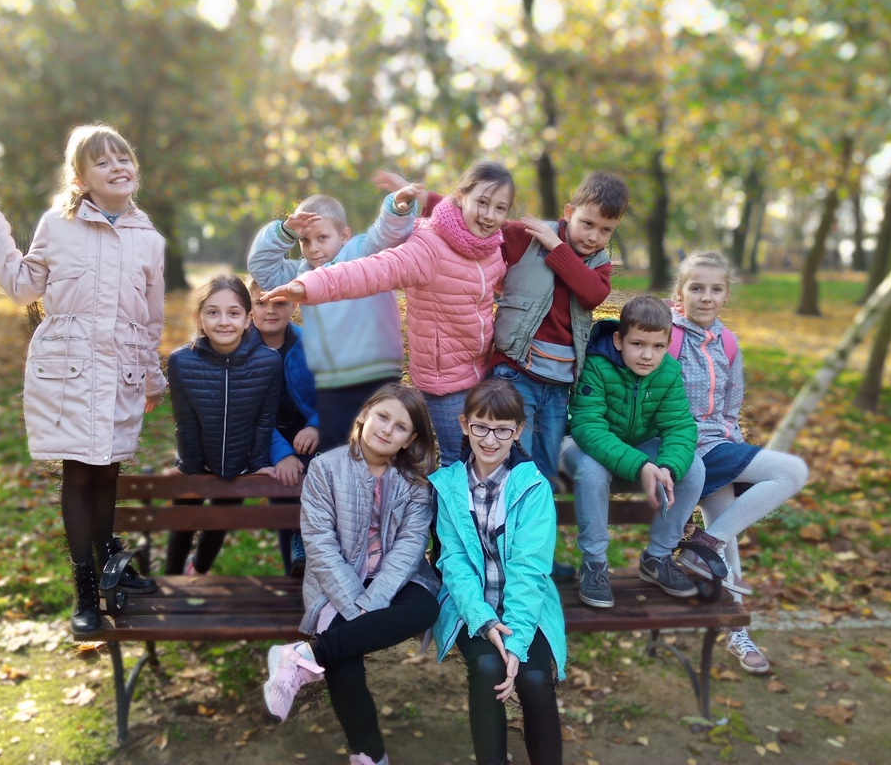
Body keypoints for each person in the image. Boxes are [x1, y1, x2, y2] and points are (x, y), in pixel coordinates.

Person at [0, 123, 164, 635]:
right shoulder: (58, 224)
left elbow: (151, 319)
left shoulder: (149, 239)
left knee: (108, 470)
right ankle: (85, 587)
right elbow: (21, 286)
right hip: (70, 371)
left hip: (121, 370)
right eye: (102, 161)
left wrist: (152, 378)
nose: (117, 167)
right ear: (80, 178)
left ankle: (111, 565)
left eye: (123, 157)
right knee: (79, 471)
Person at [377, 169, 629, 580]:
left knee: (542, 474)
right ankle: (498, 559)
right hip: (516, 373)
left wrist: (557, 247)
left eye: (606, 230)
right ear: (569, 212)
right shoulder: (527, 235)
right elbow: (472, 217)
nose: (594, 236)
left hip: (558, 387)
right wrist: (418, 197)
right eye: (587, 223)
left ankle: (534, 557)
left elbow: (592, 293)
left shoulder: (597, 264)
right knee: (510, 466)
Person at [261, 162, 513, 467]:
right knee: (455, 459)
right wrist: (307, 286)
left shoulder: (492, 248)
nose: (489, 215)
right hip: (443, 378)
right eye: (482, 203)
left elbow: (509, 284)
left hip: (482, 368)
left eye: (500, 208)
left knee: (483, 453)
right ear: (460, 197)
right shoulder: (428, 245)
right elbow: (371, 270)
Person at [261, 384, 440, 765]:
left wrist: (373, 602)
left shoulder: (415, 482)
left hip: (395, 578)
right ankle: (369, 754)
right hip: (335, 580)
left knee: (426, 607)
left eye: (401, 427)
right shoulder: (325, 468)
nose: (387, 429)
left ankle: (302, 656)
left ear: (410, 440)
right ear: (364, 415)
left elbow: (409, 548)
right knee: (344, 660)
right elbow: (319, 545)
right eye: (383, 417)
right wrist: (354, 603)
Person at [669, 251, 808, 674]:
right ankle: (706, 552)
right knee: (788, 475)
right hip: (679, 448)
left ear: (726, 294)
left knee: (726, 536)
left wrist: (739, 455)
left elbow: (731, 410)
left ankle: (735, 629)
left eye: (715, 289)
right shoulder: (668, 335)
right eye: (696, 288)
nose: (706, 297)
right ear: (680, 292)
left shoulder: (728, 343)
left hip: (719, 448)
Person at [431, 378, 566, 765]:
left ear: (518, 431)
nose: (490, 440)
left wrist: (517, 641)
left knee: (534, 678)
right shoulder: (448, 486)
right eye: (481, 427)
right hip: (470, 605)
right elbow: (454, 563)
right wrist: (484, 620)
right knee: (488, 665)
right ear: (464, 425)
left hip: (526, 607)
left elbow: (530, 570)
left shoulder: (533, 488)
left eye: (503, 430)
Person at [247, 185, 421, 453]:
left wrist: (397, 208)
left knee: (379, 445)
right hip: (331, 383)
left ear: (344, 235)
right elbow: (261, 268)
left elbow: (386, 234)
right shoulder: (300, 275)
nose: (313, 248)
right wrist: (284, 231)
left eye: (322, 237)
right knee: (336, 451)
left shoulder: (362, 251)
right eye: (305, 241)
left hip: (377, 373)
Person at [560, 295, 705, 608]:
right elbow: (588, 427)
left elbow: (680, 427)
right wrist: (640, 466)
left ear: (667, 345)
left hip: (639, 444)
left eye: (658, 346)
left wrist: (667, 467)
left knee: (693, 468)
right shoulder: (597, 364)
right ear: (618, 340)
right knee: (592, 472)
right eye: (637, 344)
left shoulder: (668, 371)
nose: (647, 355)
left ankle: (658, 557)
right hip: (584, 445)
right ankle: (594, 563)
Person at [163, 274, 282, 576]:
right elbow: (185, 421)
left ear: (248, 319)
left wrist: (257, 462)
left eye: (234, 312)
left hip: (238, 464)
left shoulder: (269, 362)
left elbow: (264, 418)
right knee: (183, 524)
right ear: (199, 318)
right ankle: (172, 578)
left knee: (219, 522)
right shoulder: (182, 362)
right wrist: (190, 467)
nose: (224, 321)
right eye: (213, 312)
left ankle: (198, 569)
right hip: (196, 460)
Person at [247, 275, 319, 577]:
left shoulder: (310, 343)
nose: (270, 310)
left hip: (307, 432)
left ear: (294, 306)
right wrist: (281, 453)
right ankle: (292, 563)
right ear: (249, 308)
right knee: (282, 486)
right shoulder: (241, 350)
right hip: (261, 435)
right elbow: (246, 412)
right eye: (261, 303)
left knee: (318, 478)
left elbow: (333, 391)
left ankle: (315, 554)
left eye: (279, 303)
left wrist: (316, 426)